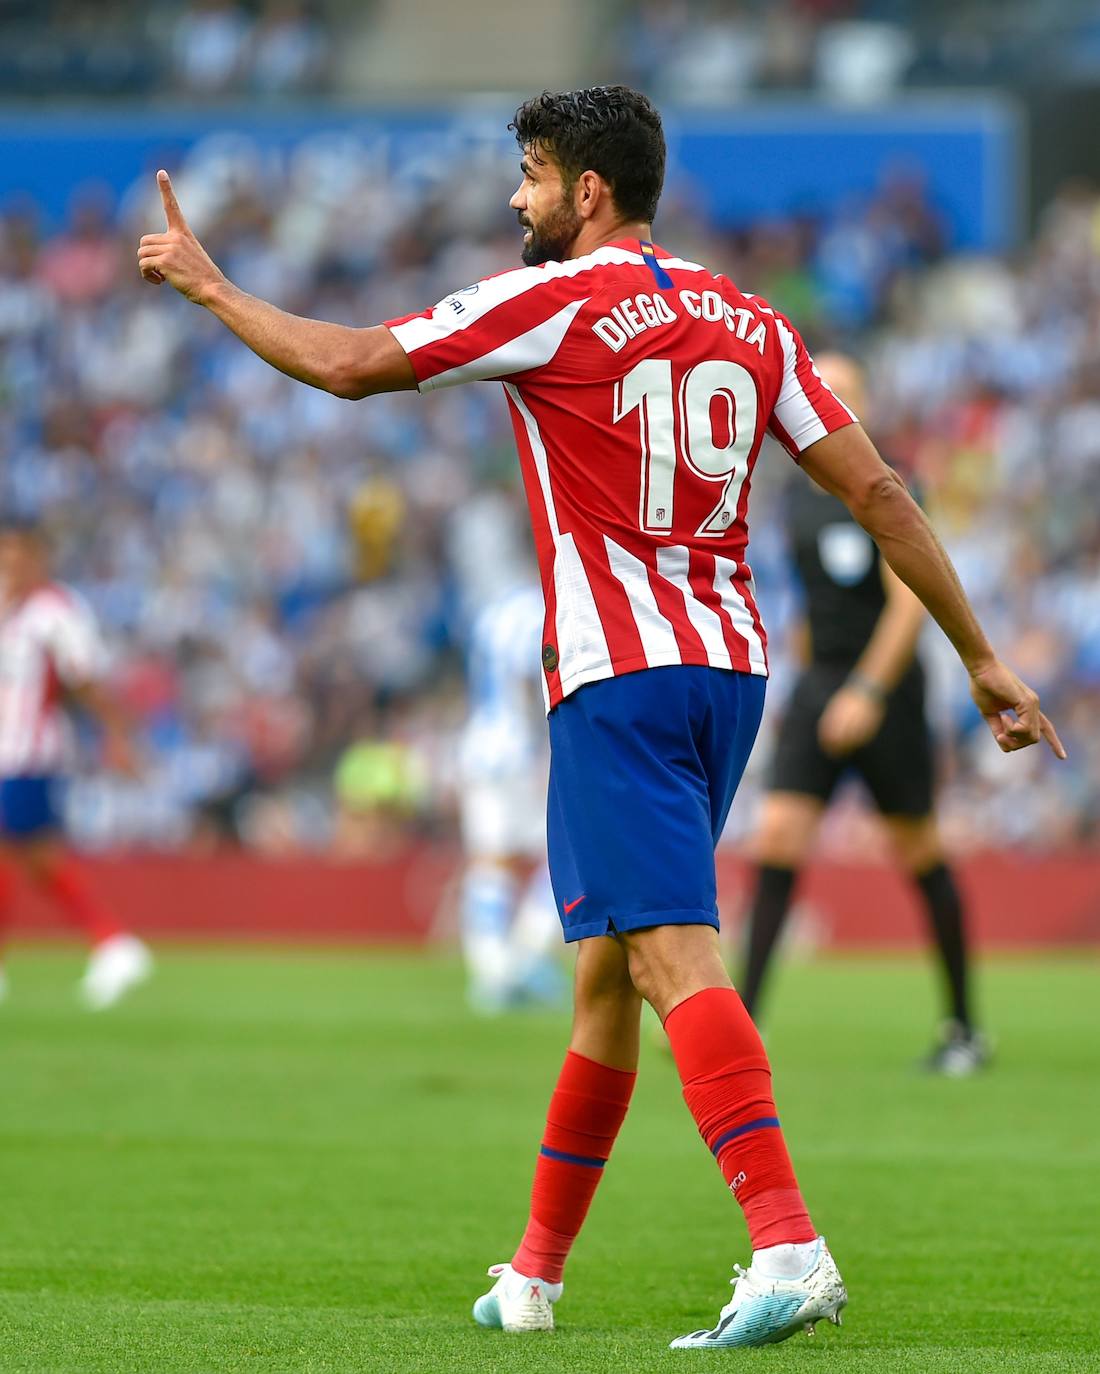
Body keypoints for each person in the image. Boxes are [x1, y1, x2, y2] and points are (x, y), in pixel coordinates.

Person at [137, 85, 1064, 1351]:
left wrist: (209, 287)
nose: (513, 197)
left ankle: (786, 1245)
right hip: (727, 674)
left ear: (586, 190)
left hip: (616, 676)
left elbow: (348, 366)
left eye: (528, 174)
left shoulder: (549, 302)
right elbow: (883, 494)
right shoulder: (752, 321)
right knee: (605, 976)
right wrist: (980, 656)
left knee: (669, 956)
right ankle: (532, 1275)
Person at [741, 353, 988, 1074]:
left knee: (918, 848)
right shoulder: (796, 498)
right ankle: (742, 1026)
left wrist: (868, 693)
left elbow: (909, 603)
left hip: (887, 690)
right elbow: (812, 605)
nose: (829, 401)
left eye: (843, 391)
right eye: (821, 388)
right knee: (777, 837)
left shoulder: (889, 484)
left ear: (865, 405)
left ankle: (964, 1030)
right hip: (820, 685)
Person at [0, 519, 153, 1009]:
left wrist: (118, 735)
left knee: (12, 850)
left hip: (30, 752)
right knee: (39, 859)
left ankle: (110, 943)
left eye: (18, 550)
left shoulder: (55, 612)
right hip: (6, 752)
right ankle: (114, 943)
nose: (10, 560)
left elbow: (85, 681)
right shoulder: (8, 610)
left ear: (39, 556)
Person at [458, 582, 565, 1013]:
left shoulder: (493, 611)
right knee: (565, 856)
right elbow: (527, 679)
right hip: (519, 751)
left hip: (481, 746)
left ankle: (490, 973)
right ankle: (526, 958)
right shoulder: (541, 611)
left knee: (490, 862)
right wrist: (545, 748)